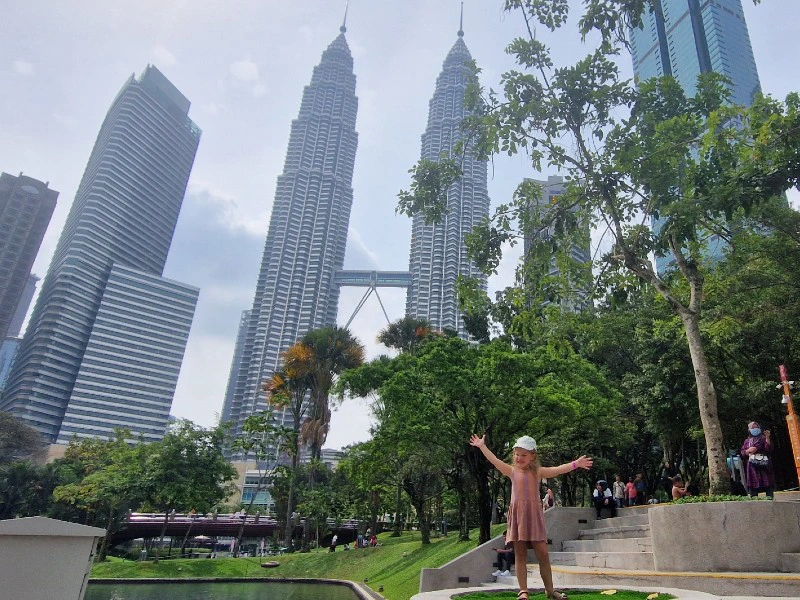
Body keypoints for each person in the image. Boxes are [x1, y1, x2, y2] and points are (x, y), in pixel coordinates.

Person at [470, 432, 593, 600]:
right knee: (520, 555)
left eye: (523, 455)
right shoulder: (512, 471)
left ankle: (550, 590)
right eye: (517, 454)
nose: (519, 458)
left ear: (532, 456)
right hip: (519, 517)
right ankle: (523, 591)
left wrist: (576, 464)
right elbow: (495, 461)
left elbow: (557, 470)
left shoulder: (538, 472)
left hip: (534, 517)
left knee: (543, 553)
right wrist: (482, 446)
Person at [740, 421, 775, 499]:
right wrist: (748, 451)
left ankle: (770, 499)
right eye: (753, 428)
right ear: (749, 430)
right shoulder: (747, 441)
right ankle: (754, 500)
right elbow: (742, 452)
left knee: (767, 483)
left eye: (756, 427)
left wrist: (767, 438)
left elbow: (769, 448)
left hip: (763, 464)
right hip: (752, 466)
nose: (755, 429)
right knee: (753, 486)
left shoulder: (763, 438)